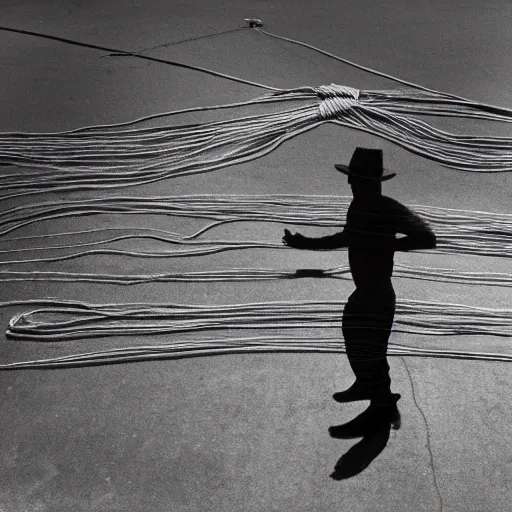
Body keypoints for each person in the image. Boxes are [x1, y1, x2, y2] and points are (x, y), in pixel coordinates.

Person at [282, 147, 437, 433]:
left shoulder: (388, 208)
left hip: (378, 294)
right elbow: (346, 238)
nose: (349, 183)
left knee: (371, 350)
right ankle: (368, 386)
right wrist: (306, 243)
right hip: (365, 291)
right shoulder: (358, 207)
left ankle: (381, 407)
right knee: (354, 337)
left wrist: (389, 244)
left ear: (370, 182)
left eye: (354, 179)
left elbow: (427, 237)